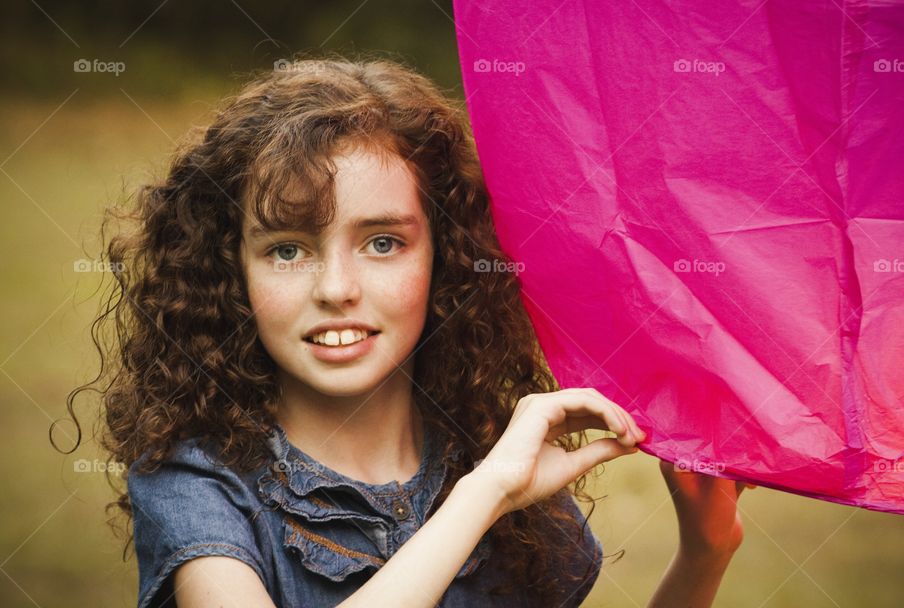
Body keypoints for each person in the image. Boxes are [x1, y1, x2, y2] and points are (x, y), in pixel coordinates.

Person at [59, 57, 748, 607]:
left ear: (443, 258)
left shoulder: (490, 461)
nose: (335, 288)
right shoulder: (198, 483)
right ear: (230, 270)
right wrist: (486, 494)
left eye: (383, 243)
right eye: (287, 249)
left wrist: (703, 558)